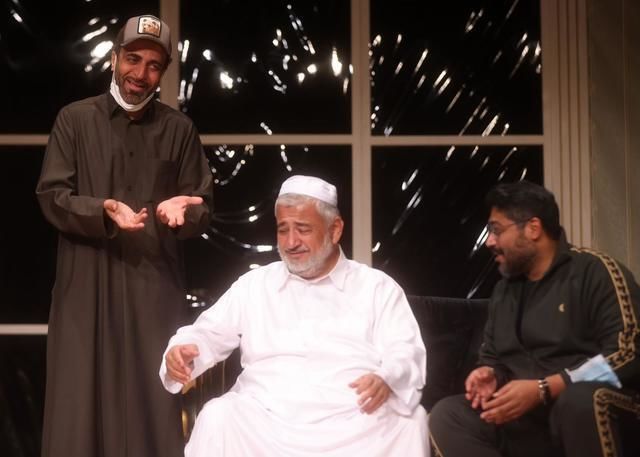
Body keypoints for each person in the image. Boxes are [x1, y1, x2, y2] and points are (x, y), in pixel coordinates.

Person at [36, 15, 213, 457]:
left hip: (151, 291)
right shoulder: (75, 120)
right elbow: (52, 195)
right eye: (133, 59)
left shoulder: (179, 130)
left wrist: (184, 214)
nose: (141, 73)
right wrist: (102, 210)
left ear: (163, 72)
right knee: (77, 416)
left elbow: (200, 205)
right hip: (85, 288)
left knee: (149, 414)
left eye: (154, 65)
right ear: (115, 58)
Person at [160, 175, 429, 456]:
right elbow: (207, 333)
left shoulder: (377, 287)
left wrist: (387, 377)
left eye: (303, 229)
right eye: (283, 229)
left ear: (335, 229)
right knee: (219, 416)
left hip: (352, 420)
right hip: (265, 421)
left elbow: (404, 349)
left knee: (409, 421)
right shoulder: (255, 285)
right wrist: (182, 350)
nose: (290, 242)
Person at [429, 181, 640, 457]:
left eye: (496, 230)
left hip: (589, 410)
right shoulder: (504, 291)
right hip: (529, 420)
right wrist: (490, 374)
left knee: (579, 400)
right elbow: (493, 358)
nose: (489, 241)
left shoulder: (595, 271)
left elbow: (629, 353)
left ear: (533, 228)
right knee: (448, 415)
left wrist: (546, 388)